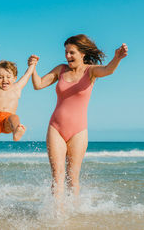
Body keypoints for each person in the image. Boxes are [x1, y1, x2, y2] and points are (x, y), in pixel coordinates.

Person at [28, 34, 128, 200]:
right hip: (56, 128)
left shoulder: (91, 71)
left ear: (82, 54)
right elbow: (38, 85)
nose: (67, 56)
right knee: (57, 177)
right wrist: (33, 67)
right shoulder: (61, 70)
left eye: (71, 52)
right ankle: (56, 216)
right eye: (66, 52)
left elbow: (108, 70)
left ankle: (73, 216)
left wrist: (117, 57)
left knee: (72, 178)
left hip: (79, 131)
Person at [0, 48, 36, 159]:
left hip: (8, 121)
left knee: (14, 117)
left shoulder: (17, 87)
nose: (4, 80)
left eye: (8, 77)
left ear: (14, 78)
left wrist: (32, 65)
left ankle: (17, 131)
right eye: (0, 77)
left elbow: (27, 75)